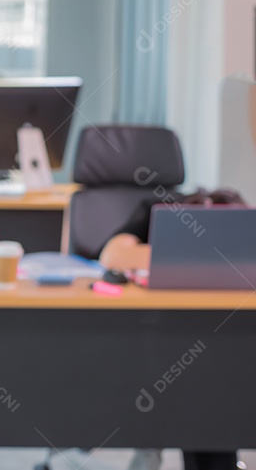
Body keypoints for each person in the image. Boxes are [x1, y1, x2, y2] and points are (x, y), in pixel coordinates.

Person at [99, 187, 245, 470]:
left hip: (220, 340)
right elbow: (114, 255)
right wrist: (204, 255)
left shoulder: (236, 210)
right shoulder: (159, 209)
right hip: (156, 335)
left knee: (212, 383)